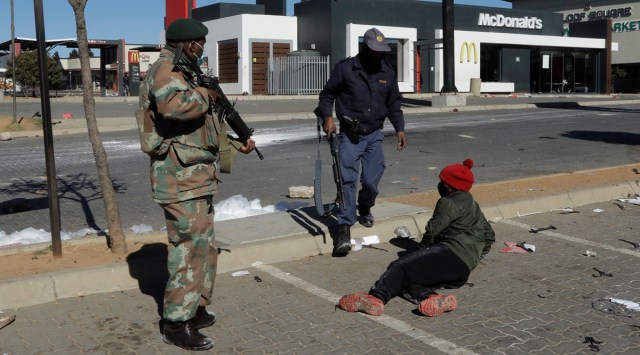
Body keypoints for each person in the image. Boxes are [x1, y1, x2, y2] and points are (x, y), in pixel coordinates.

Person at [138, 18, 255, 351]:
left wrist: (235, 141)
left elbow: (199, 132)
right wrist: (207, 93)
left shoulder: (184, 72)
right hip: (178, 179)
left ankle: (195, 307)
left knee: (203, 248)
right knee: (188, 250)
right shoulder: (166, 70)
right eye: (199, 44)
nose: (202, 49)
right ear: (188, 44)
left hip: (195, 176)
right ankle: (176, 323)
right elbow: (173, 107)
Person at [338, 159, 495, 317]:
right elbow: (489, 236)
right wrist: (473, 259)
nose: (440, 185)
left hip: (449, 253)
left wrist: (422, 251)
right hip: (463, 270)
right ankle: (431, 297)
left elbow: (432, 230)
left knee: (400, 267)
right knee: (408, 279)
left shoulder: (447, 202)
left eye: (442, 182)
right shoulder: (472, 204)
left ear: (451, 186)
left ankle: (376, 298)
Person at [316, 27, 407, 255]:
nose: (378, 55)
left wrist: (400, 129)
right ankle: (344, 226)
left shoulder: (387, 71)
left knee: (371, 180)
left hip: (375, 134)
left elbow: (394, 103)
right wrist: (327, 117)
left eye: (381, 50)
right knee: (347, 179)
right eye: (374, 50)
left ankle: (364, 206)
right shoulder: (346, 69)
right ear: (365, 48)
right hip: (350, 134)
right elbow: (327, 95)